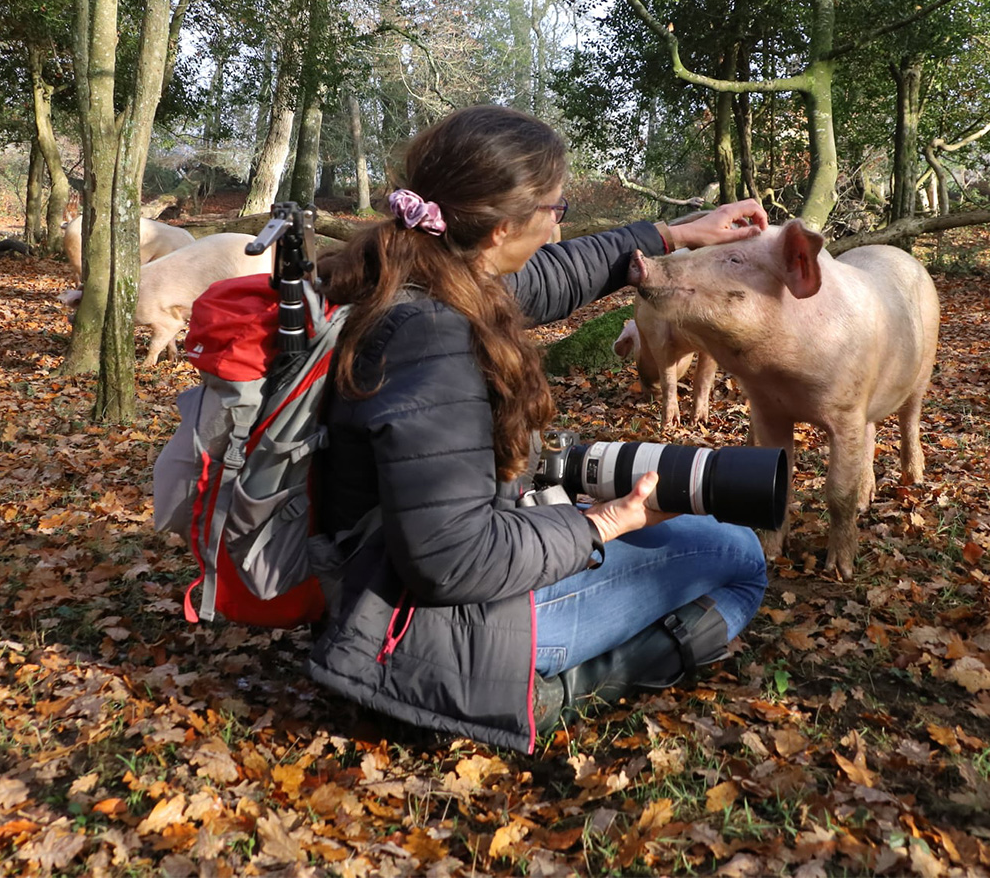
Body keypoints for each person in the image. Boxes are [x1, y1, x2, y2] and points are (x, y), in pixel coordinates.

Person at [306, 105, 769, 753]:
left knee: (703, 530)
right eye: (555, 209)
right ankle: (556, 692)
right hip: (416, 628)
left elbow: (550, 277)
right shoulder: (434, 343)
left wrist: (677, 233)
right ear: (499, 230)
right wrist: (604, 524)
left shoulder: (404, 272)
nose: (559, 223)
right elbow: (453, 558)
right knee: (742, 557)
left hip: (373, 577)